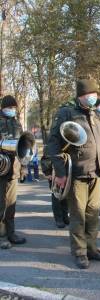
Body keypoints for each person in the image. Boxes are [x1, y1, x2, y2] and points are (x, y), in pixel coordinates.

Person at [47, 79, 100, 269]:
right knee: (78, 215)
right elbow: (53, 144)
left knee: (92, 214)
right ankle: (79, 252)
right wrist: (60, 172)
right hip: (76, 173)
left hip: (97, 173)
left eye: (95, 94)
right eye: (89, 94)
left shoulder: (99, 116)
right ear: (80, 96)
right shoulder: (66, 113)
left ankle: (92, 248)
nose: (94, 97)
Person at [0, 95, 26, 247]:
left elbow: (23, 147)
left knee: (11, 204)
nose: (12, 110)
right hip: (1, 168)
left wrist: (23, 167)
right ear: (3, 108)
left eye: (14, 108)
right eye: (10, 107)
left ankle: (11, 233)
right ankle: (2, 236)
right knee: (0, 204)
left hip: (14, 168)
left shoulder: (17, 123)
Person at [40, 145, 69, 229]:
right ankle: (58, 219)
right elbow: (45, 158)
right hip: (54, 175)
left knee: (66, 196)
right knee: (57, 196)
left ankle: (65, 216)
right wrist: (47, 173)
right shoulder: (51, 143)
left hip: (66, 173)